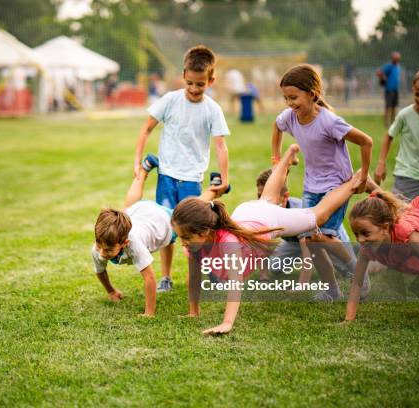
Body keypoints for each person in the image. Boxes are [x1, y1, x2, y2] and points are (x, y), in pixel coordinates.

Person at [172, 144, 362, 334]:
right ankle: (289, 155)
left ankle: (355, 181)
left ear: (204, 231)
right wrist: (193, 312)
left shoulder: (228, 243)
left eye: (186, 237)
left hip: (265, 219)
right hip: (248, 212)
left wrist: (227, 323)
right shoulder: (194, 246)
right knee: (267, 198)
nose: (184, 243)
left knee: (318, 215)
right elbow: (195, 277)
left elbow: (235, 283)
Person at [271, 64, 373, 301]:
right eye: (286, 98)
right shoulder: (290, 117)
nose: (289, 103)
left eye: (294, 97)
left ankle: (359, 274)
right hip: (311, 186)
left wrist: (364, 175)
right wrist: (276, 158)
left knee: (323, 236)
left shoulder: (330, 121)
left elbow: (366, 141)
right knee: (309, 239)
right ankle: (332, 290)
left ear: (312, 94)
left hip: (336, 185)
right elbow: (276, 126)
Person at [133, 45, 230, 292]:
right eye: (190, 83)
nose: (194, 89)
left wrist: (225, 178)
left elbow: (220, 147)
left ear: (211, 80)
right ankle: (166, 277)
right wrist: (137, 161)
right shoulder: (169, 100)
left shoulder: (212, 109)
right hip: (166, 177)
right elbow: (146, 129)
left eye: (200, 84)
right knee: (166, 227)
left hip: (191, 180)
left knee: (197, 229)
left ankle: (207, 271)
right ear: (183, 75)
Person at [345, 178, 419, 323]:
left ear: (385, 228)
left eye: (365, 233)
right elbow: (357, 283)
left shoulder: (410, 238)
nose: (360, 240)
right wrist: (348, 320)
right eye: (356, 234)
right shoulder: (367, 247)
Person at [91, 157, 174, 316]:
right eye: (99, 246)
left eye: (107, 249)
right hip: (139, 211)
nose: (101, 252)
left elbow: (149, 278)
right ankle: (143, 172)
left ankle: (213, 191)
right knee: (128, 208)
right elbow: (100, 270)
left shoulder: (134, 243)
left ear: (125, 242)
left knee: (190, 216)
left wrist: (149, 313)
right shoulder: (100, 245)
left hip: (162, 221)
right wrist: (111, 291)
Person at [254, 169, 363, 287]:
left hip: (325, 237)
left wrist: (301, 285)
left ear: (285, 197)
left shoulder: (297, 213)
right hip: (296, 242)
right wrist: (263, 277)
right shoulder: (264, 212)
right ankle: (354, 249)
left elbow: (308, 251)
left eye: (269, 197)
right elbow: (262, 243)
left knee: (348, 272)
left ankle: (361, 251)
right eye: (260, 196)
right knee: (273, 267)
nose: (263, 202)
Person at [373, 66, 419, 201]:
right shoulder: (405, 115)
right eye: (417, 94)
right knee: (400, 213)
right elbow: (389, 136)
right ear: (413, 91)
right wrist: (381, 164)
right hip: (407, 175)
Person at [377, 51, 402, 128]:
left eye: (398, 57)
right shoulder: (389, 66)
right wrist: (383, 79)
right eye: (395, 57)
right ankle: (386, 124)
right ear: (392, 58)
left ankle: (393, 123)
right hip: (389, 89)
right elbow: (379, 72)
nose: (397, 58)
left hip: (395, 89)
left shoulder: (398, 67)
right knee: (388, 107)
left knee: (394, 107)